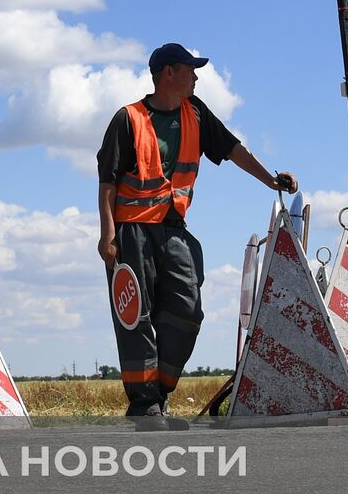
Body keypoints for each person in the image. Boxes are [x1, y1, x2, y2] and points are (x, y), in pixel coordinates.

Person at [96, 42, 297, 431]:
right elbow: (107, 182)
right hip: (131, 232)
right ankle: (145, 407)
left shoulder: (197, 113)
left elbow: (233, 149)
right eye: (191, 69)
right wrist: (107, 235)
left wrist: (270, 179)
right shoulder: (128, 118)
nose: (197, 76)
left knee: (188, 312)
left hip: (174, 231)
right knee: (135, 317)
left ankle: (161, 392)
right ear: (168, 73)